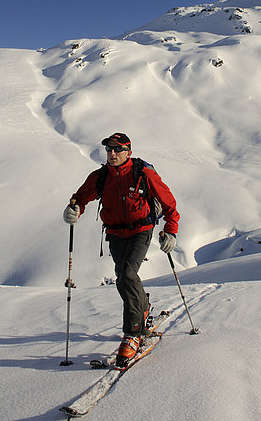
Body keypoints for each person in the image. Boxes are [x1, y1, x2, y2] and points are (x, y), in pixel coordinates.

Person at [63, 132, 180, 366]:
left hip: (141, 230)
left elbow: (169, 203)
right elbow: (80, 198)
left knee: (126, 274)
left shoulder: (143, 173)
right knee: (124, 277)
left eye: (117, 150)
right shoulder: (100, 176)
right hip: (115, 233)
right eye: (109, 150)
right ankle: (143, 307)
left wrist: (171, 229)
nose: (112, 154)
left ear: (129, 152)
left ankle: (133, 334)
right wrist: (74, 210)